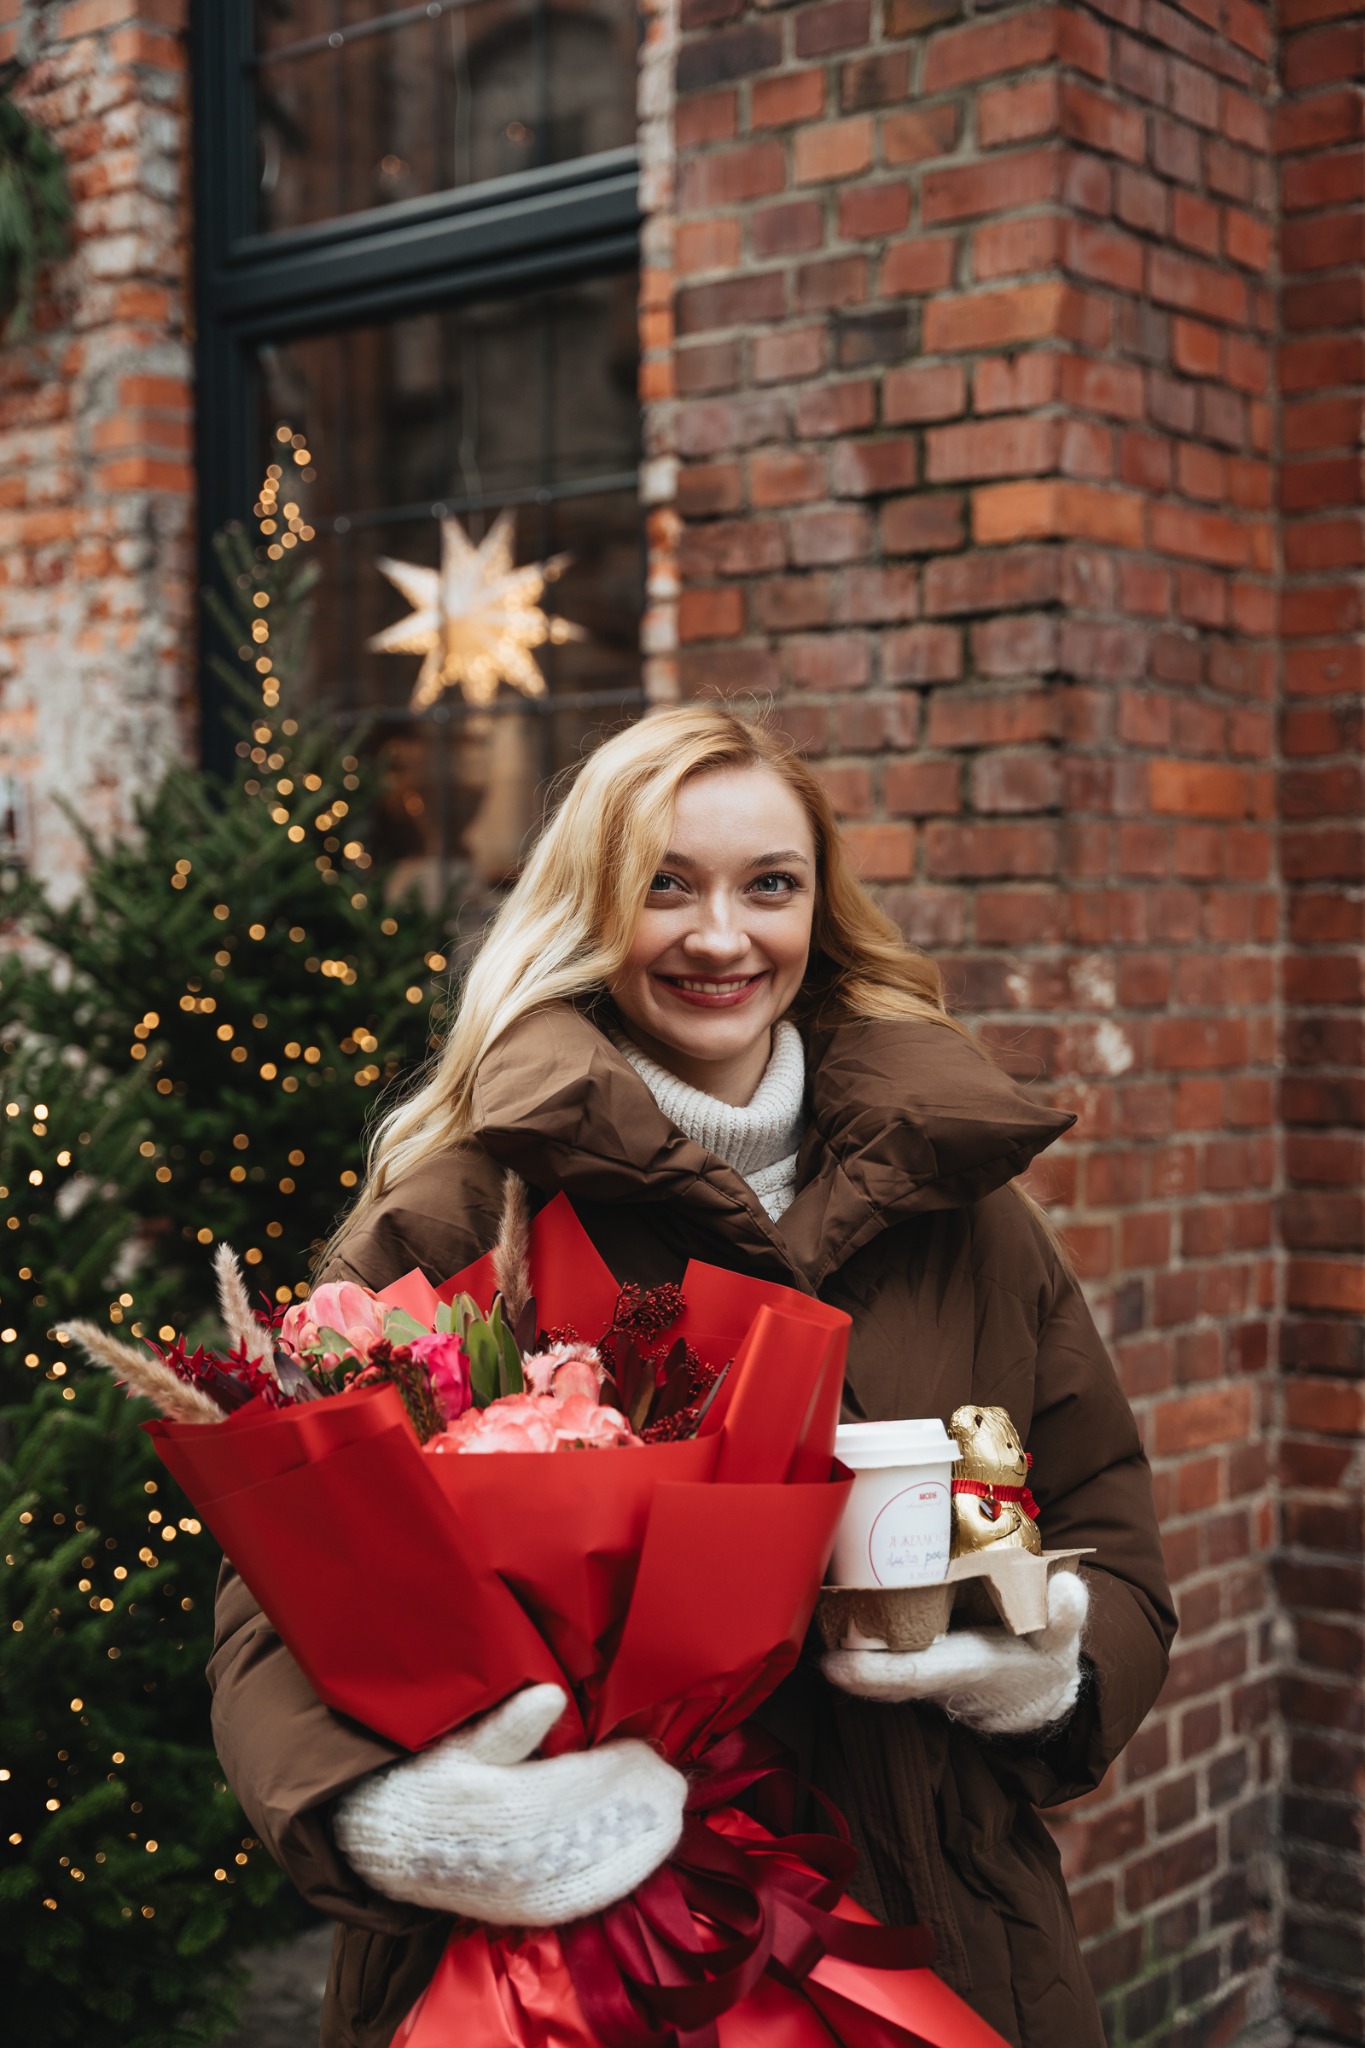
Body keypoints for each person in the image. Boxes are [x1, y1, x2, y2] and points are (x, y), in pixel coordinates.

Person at [209, 705, 1175, 2048]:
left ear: (817, 912)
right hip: (560, 1968)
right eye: (664, 885)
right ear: (589, 908)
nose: (721, 937)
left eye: (767, 886)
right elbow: (281, 1601)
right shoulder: (458, 1215)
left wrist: (1041, 1663)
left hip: (938, 1933)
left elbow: (1106, 1533)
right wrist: (404, 1816)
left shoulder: (965, 1215)